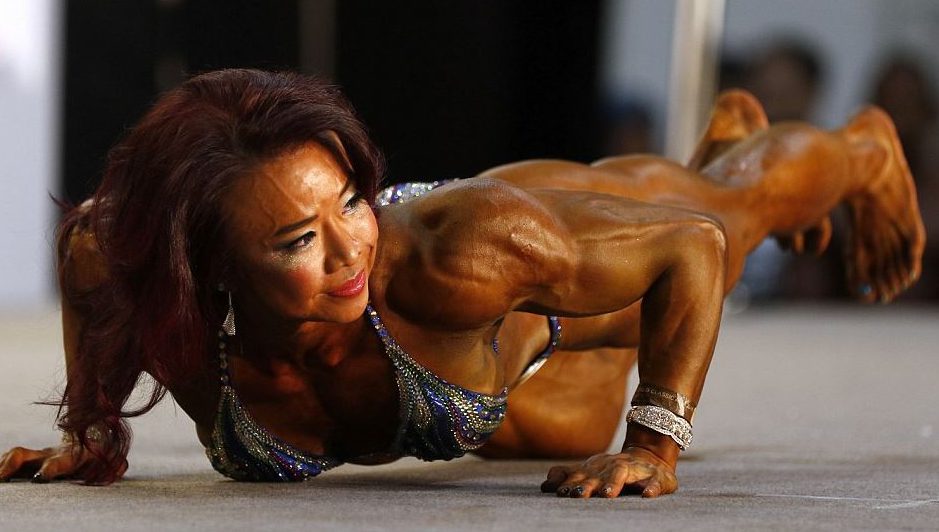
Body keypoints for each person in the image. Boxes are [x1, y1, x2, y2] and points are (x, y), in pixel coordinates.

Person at [0, 70, 924, 498]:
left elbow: (691, 251)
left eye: (350, 201)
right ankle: (712, 148)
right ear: (200, 267)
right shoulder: (125, 258)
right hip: (480, 377)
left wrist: (656, 446)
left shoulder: (460, 251)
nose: (346, 251)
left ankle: (857, 150)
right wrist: (90, 429)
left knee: (724, 208)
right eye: (296, 241)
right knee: (564, 438)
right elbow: (86, 254)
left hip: (493, 295)